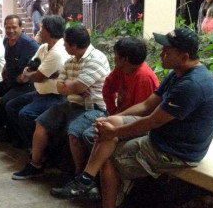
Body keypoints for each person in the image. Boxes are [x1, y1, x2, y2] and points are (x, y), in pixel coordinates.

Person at [63, 28, 213, 208]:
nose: (161, 54)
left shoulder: (192, 85)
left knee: (108, 157)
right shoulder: (178, 73)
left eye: (167, 51)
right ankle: (86, 179)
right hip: (163, 135)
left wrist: (115, 131)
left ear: (184, 56)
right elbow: (147, 105)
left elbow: (152, 122)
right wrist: (112, 120)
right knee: (108, 129)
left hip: (174, 151)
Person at [50, 36, 159, 197]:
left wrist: (114, 119)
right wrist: (112, 112)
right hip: (120, 116)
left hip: (137, 124)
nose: (113, 58)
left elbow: (142, 112)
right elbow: (108, 88)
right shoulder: (122, 69)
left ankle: (91, 182)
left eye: (115, 55)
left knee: (91, 135)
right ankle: (87, 180)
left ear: (125, 59)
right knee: (86, 133)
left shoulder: (143, 77)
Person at [12, 25, 110, 180]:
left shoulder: (96, 59)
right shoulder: (71, 60)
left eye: (65, 43)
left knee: (74, 132)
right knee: (41, 122)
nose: (63, 45)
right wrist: (75, 85)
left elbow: (75, 86)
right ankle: (36, 164)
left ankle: (79, 177)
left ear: (74, 46)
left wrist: (72, 85)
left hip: (93, 107)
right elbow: (60, 87)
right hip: (72, 103)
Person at [5, 15, 70, 148]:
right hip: (40, 93)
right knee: (11, 106)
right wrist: (41, 73)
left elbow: (37, 76)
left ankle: (37, 149)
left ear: (50, 31)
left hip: (55, 96)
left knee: (26, 114)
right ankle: (25, 142)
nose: (40, 30)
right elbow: (30, 66)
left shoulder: (58, 51)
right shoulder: (43, 47)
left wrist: (35, 74)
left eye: (43, 28)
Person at [0, 15, 38, 138]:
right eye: (8, 27)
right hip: (9, 81)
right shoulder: (6, 40)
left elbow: (35, 65)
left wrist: (24, 76)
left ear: (21, 27)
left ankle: (12, 133)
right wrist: (5, 69)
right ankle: (1, 126)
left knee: (5, 103)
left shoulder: (29, 44)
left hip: (25, 85)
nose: (11, 30)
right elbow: (7, 59)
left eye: (14, 27)